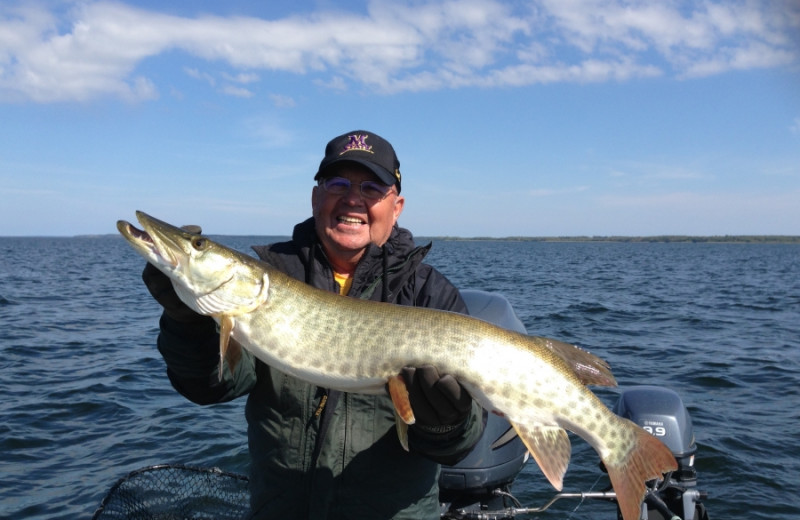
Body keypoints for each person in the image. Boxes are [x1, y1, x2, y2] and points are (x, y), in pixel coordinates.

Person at [142, 130, 484, 519]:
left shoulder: (430, 295)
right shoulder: (271, 275)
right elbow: (212, 386)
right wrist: (187, 322)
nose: (353, 199)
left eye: (372, 188)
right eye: (337, 183)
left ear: (397, 206)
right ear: (316, 197)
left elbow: (461, 445)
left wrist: (447, 423)